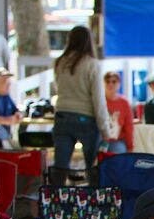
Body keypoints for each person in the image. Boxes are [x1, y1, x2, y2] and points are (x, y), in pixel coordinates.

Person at [51, 26, 111, 184]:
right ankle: (95, 201)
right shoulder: (92, 65)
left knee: (60, 166)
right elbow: (98, 99)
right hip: (86, 119)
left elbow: (58, 89)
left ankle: (55, 201)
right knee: (93, 167)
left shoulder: (60, 62)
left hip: (62, 115)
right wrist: (105, 129)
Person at [102, 71, 134, 153]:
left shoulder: (124, 103)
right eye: (107, 82)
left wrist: (130, 146)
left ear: (119, 84)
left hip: (117, 141)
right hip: (99, 140)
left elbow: (129, 126)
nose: (110, 84)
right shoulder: (98, 101)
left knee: (118, 156)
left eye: (114, 82)